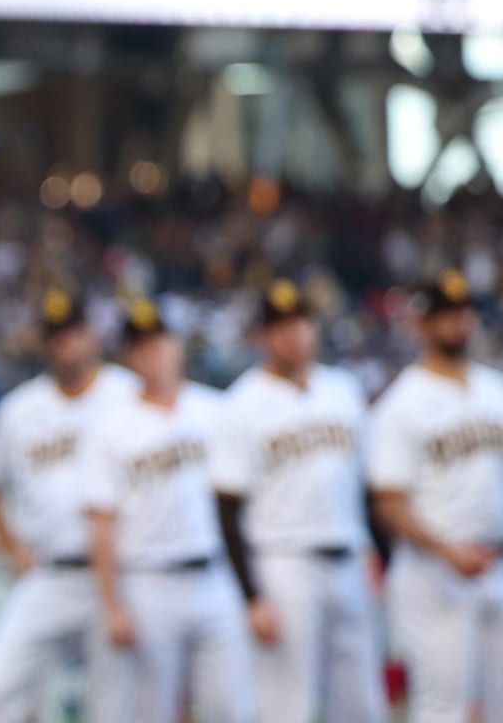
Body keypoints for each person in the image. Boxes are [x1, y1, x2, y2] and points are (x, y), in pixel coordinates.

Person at [367, 270, 503, 723]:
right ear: (420, 324)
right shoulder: (401, 402)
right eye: (445, 314)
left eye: (463, 312)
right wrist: (447, 550)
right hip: (436, 569)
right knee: (441, 707)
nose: (458, 323)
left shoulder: (500, 390)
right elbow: (388, 501)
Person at [0, 290, 138, 723]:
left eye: (72, 332)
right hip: (50, 573)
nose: (65, 344)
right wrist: (12, 544)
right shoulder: (21, 408)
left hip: (120, 574)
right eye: (55, 335)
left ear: (91, 335)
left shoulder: (128, 394)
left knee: (115, 710)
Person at [210, 279, 384, 723]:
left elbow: (365, 485)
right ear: (263, 337)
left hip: (347, 555)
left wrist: (376, 550)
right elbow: (227, 509)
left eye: (302, 322)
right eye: (282, 326)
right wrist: (252, 596)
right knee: (288, 706)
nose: (295, 333)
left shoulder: (343, 388)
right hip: (284, 562)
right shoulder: (242, 403)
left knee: (364, 703)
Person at [85, 301, 250, 723]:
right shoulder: (112, 427)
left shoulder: (219, 410)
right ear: (128, 357)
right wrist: (112, 605)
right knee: (152, 711)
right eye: (141, 346)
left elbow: (247, 503)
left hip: (217, 575)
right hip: (149, 580)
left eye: (159, 341)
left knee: (229, 708)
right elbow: (101, 523)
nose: (153, 352)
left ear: (176, 345)